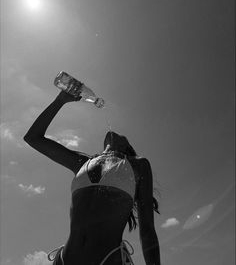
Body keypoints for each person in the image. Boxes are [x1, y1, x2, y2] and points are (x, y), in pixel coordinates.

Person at [24, 91, 161, 265]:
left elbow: (147, 229)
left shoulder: (137, 165)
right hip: (65, 260)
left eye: (123, 136)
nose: (114, 133)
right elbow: (33, 138)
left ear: (127, 146)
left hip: (108, 259)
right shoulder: (82, 162)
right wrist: (60, 101)